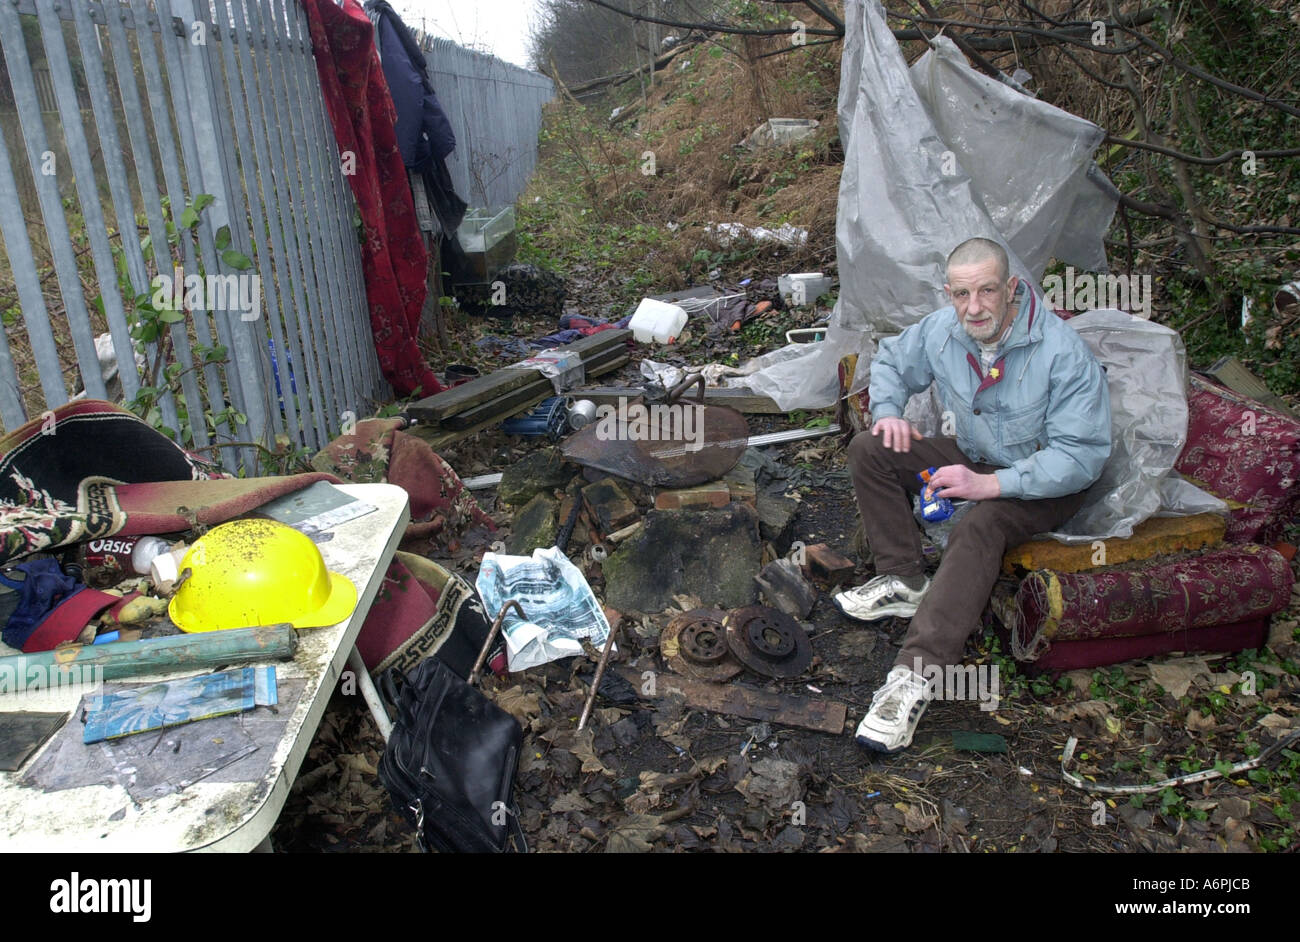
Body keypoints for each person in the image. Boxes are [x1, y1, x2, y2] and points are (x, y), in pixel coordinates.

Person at [836, 237, 1112, 753]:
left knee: (979, 522)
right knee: (869, 449)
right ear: (948, 293)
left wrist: (989, 486)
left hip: (1048, 478)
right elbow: (894, 359)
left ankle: (912, 677)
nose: (974, 307)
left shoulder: (1059, 351)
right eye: (962, 294)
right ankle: (903, 579)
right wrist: (890, 409)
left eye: (987, 291)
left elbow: (1082, 457)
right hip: (977, 452)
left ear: (1011, 289)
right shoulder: (945, 330)